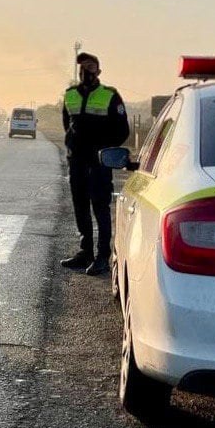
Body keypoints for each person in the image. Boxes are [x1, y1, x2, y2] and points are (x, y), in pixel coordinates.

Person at [61, 52, 130, 275]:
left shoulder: (110, 95)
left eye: (90, 67)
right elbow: (67, 124)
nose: (85, 71)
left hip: (99, 163)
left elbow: (122, 131)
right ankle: (85, 252)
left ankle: (102, 257)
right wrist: (73, 146)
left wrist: (101, 149)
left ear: (98, 71)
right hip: (77, 161)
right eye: (82, 67)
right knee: (80, 207)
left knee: (100, 209)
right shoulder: (70, 95)